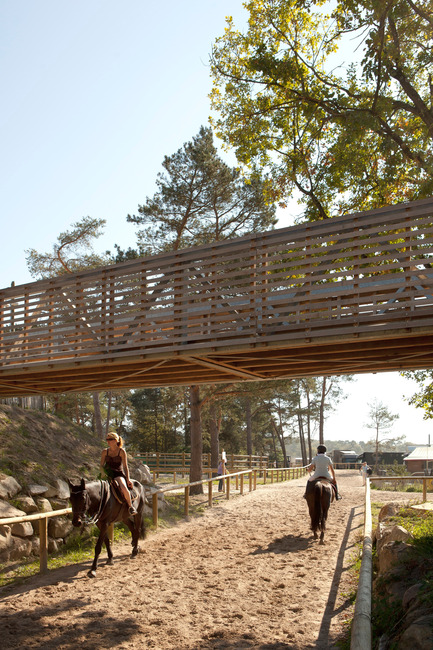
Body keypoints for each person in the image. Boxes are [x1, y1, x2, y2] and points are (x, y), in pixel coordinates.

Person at [101, 431, 137, 515]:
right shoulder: (104, 452)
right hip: (107, 474)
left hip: (118, 474)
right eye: (107, 439)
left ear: (116, 441)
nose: (108, 441)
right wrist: (103, 473)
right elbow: (101, 466)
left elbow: (125, 467)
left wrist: (128, 479)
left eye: (110, 439)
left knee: (124, 487)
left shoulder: (121, 451)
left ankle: (130, 506)